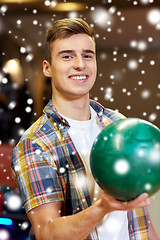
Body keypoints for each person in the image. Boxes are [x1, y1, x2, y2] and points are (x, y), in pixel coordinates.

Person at [11, 18, 159, 240]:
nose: (80, 64)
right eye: (67, 56)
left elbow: (141, 222)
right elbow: (47, 233)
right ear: (47, 68)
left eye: (87, 55)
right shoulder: (35, 143)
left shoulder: (118, 124)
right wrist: (104, 207)